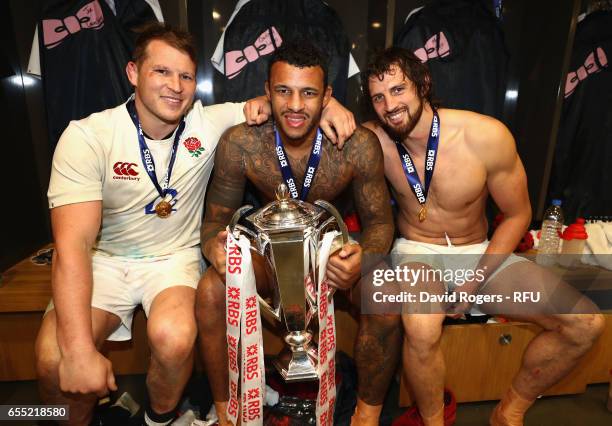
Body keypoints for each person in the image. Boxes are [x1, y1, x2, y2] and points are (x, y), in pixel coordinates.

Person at [35, 23, 354, 426]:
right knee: (53, 359)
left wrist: (332, 105)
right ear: (133, 73)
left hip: (173, 260)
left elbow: (285, 102)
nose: (176, 86)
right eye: (161, 72)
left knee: (174, 338)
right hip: (104, 259)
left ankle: (160, 418)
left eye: (185, 76)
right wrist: (80, 353)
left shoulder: (207, 122)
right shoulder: (87, 136)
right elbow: (73, 247)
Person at [360, 47, 605, 426]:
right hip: (416, 251)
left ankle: (510, 410)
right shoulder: (372, 140)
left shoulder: (485, 135)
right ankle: (434, 422)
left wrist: (475, 279)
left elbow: (519, 213)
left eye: (398, 90)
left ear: (423, 85)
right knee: (422, 326)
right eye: (378, 97)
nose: (389, 105)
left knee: (585, 324)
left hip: (478, 252)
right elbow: (310, 124)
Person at [196, 40, 395, 426]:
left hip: (331, 258)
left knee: (385, 293)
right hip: (268, 261)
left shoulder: (356, 146)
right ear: (267, 92)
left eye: (309, 93)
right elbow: (214, 221)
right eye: (284, 91)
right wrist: (215, 248)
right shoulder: (242, 143)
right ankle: (225, 413)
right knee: (209, 290)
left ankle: (366, 417)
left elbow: (381, 223)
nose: (296, 105)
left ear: (327, 97)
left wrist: (362, 259)